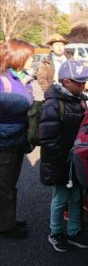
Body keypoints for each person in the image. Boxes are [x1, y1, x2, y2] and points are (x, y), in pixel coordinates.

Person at [39, 59, 88, 252]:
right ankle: (55, 232)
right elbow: (48, 139)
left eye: (84, 81)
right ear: (65, 82)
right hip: (61, 161)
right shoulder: (53, 104)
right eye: (78, 82)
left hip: (76, 159)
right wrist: (61, 162)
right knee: (61, 198)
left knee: (77, 197)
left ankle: (74, 231)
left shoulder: (79, 100)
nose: (83, 85)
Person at [0, 39, 34, 238]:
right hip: (5, 141)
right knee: (4, 186)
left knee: (9, 184)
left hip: (15, 139)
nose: (32, 60)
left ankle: (8, 219)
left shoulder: (15, 76)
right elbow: (24, 103)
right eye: (29, 57)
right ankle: (5, 226)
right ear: (17, 57)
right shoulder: (4, 79)